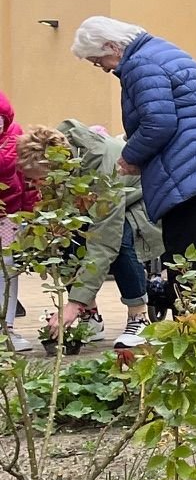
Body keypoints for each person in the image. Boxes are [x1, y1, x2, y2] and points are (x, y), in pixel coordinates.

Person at [70, 16, 196, 265]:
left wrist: (131, 156)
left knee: (183, 256)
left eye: (98, 61)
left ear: (112, 47)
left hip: (194, 167)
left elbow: (159, 123)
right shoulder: (162, 50)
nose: (104, 68)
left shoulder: (140, 64)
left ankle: (189, 303)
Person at [16, 121, 163, 350]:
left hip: (141, 200)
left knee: (120, 238)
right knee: (63, 235)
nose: (33, 185)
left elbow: (105, 240)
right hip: (100, 204)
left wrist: (74, 302)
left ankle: (139, 317)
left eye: (37, 179)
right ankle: (90, 318)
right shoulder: (59, 158)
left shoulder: (102, 167)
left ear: (57, 168)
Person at [0, 90, 30, 352]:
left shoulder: (16, 137)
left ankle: (7, 327)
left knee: (7, 270)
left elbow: (28, 179)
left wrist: (30, 214)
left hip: (8, 217)